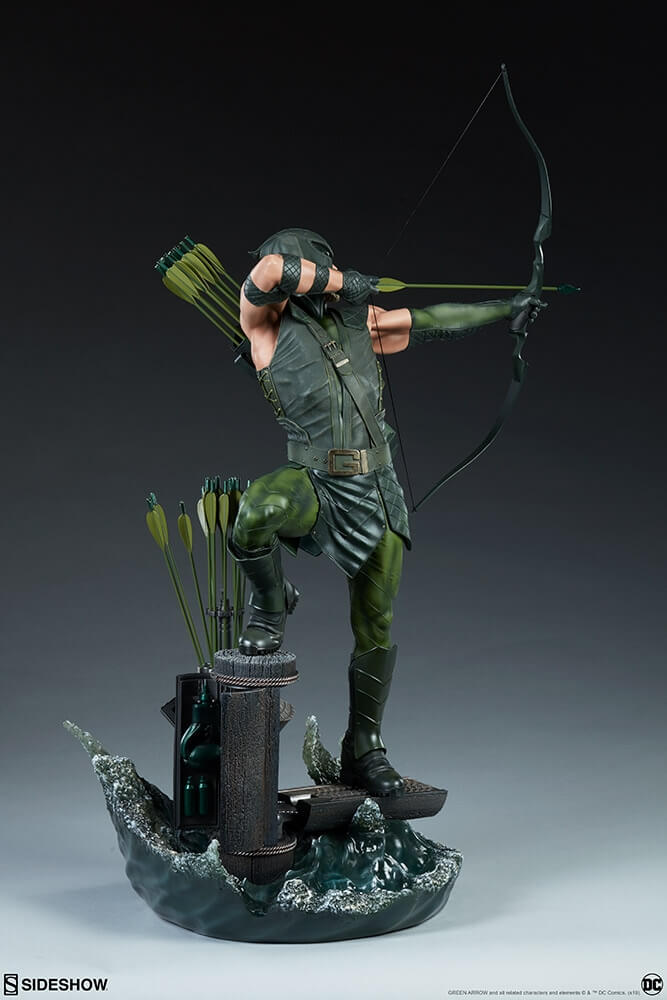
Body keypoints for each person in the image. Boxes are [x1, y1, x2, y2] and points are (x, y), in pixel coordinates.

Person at [231, 227, 544, 796]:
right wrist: (348, 281)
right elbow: (270, 270)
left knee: (375, 623)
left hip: (375, 489)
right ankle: (271, 606)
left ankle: (364, 747)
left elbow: (432, 320)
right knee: (255, 512)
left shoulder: (362, 324)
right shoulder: (265, 324)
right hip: (313, 482)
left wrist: (508, 310)